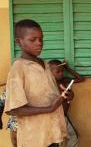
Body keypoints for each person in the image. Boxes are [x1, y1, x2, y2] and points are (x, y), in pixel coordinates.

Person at [4, 19, 72, 147]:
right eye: (32, 39)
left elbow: (50, 97)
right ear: (19, 42)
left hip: (52, 134)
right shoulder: (18, 68)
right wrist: (49, 108)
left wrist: (65, 97)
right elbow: (14, 109)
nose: (39, 43)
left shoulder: (45, 65)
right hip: (34, 138)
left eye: (41, 39)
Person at [49, 59, 85, 147]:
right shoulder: (48, 84)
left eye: (62, 71)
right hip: (55, 116)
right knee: (57, 139)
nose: (61, 74)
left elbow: (80, 78)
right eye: (58, 72)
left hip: (63, 115)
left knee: (69, 137)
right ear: (49, 72)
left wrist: (67, 68)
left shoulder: (64, 80)